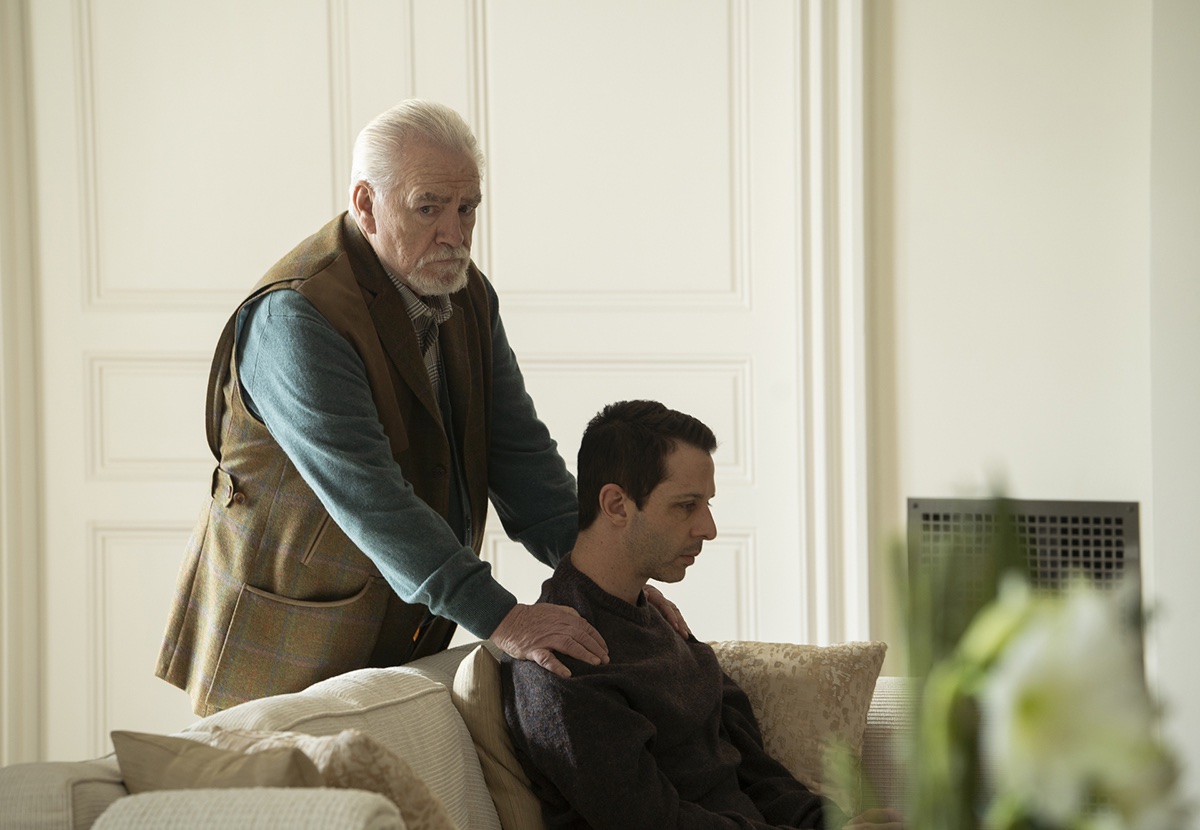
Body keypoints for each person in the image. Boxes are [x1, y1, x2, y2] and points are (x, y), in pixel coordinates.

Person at [155, 100, 687, 716]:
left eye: (467, 209)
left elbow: (524, 464)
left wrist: (614, 579)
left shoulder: (468, 293)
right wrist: (505, 618)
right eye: (428, 208)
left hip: (403, 626)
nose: (455, 235)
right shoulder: (297, 317)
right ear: (366, 204)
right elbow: (372, 499)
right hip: (285, 641)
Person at [501, 400, 904, 829]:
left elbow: (753, 771)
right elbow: (656, 824)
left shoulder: (657, 621)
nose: (708, 528)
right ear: (617, 505)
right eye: (686, 505)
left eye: (707, 503)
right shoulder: (562, 666)